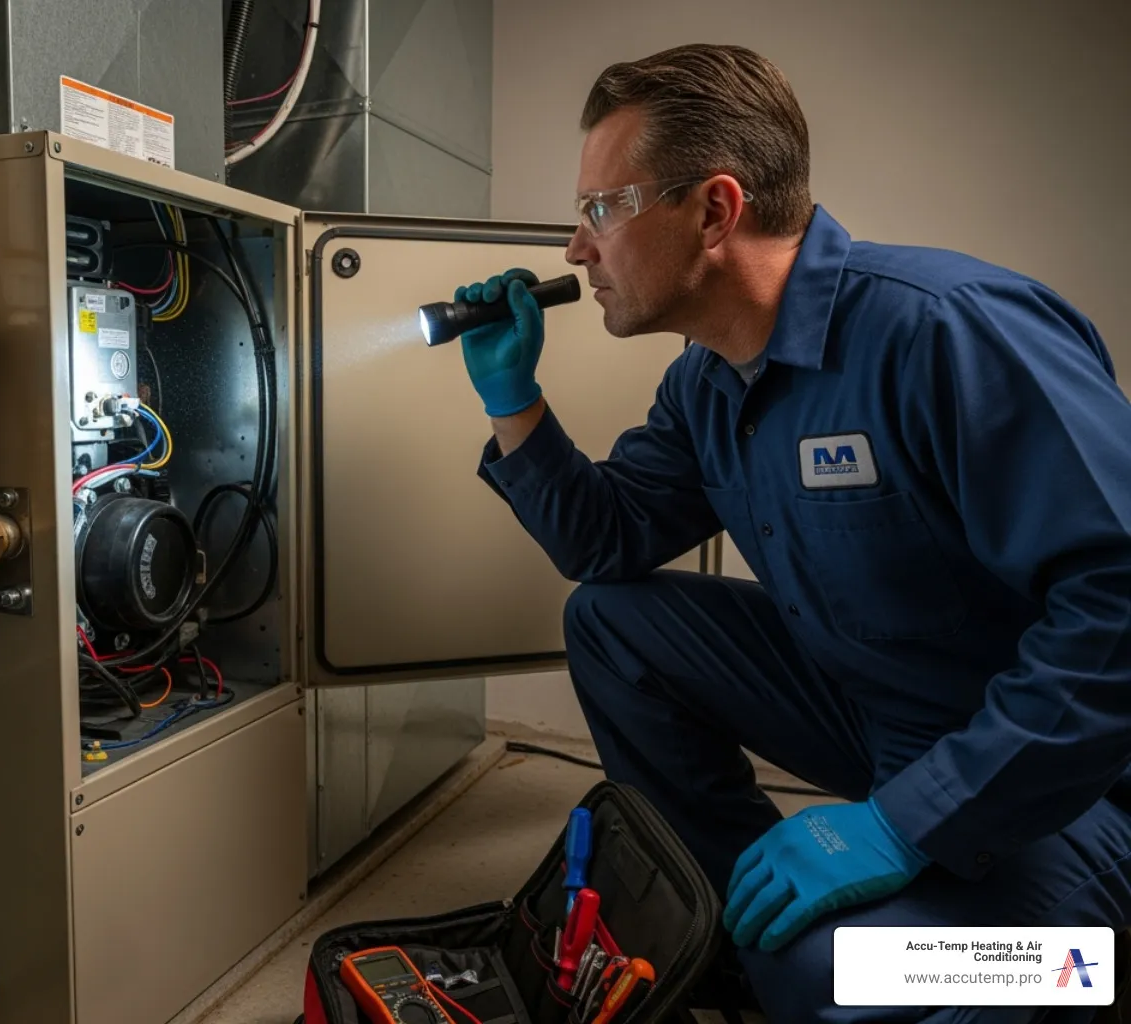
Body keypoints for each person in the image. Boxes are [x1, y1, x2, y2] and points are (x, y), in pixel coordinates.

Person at [460, 42, 1131, 1022]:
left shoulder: (947, 329)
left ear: (716, 211)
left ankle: (1074, 961)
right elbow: (606, 541)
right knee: (613, 618)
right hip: (875, 709)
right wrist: (513, 401)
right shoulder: (706, 383)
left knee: (849, 981)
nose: (577, 247)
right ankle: (741, 905)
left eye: (604, 208)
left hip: (1064, 775)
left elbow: (1118, 605)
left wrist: (906, 827)